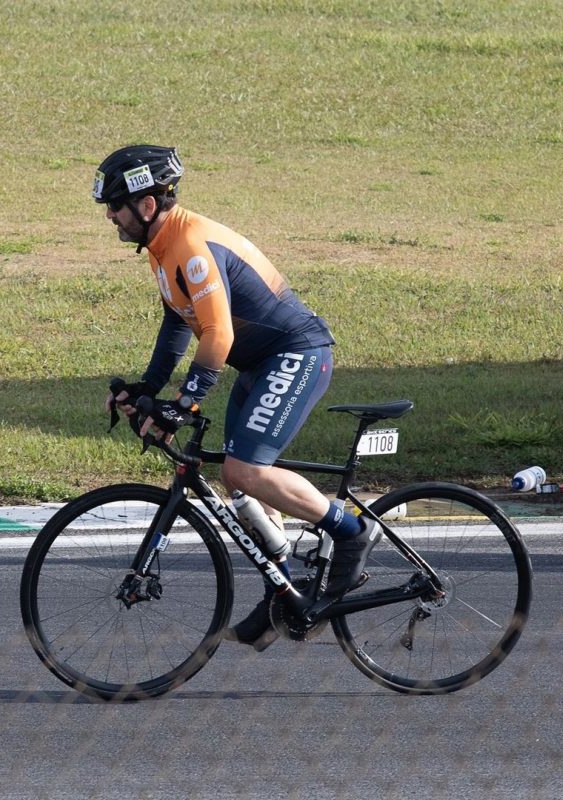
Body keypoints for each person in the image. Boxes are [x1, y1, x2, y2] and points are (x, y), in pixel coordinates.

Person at [97, 144, 375, 650]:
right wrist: (147, 389)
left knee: (246, 470)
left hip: (297, 353)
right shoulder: (164, 246)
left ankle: (350, 531)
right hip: (262, 362)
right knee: (236, 478)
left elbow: (218, 335)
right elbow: (179, 323)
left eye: (114, 205)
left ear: (147, 204)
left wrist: (186, 402)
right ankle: (287, 595)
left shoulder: (189, 246)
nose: (109, 216)